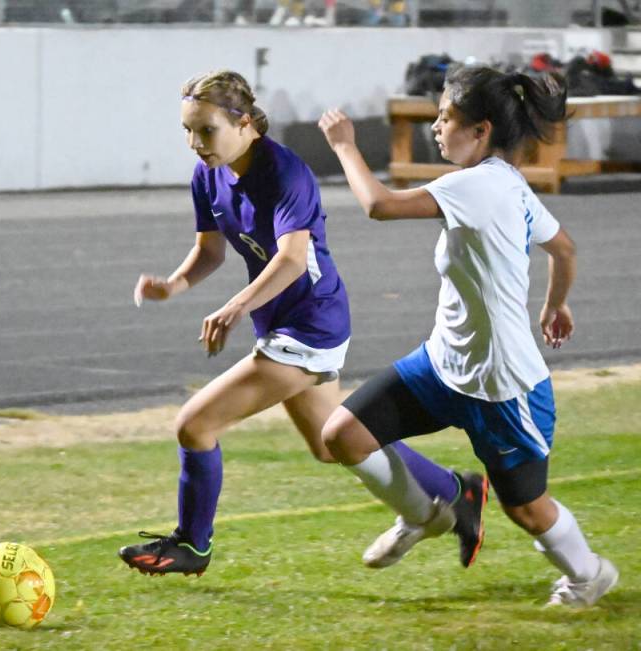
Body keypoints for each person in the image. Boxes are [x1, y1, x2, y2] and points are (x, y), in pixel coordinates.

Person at [117, 69, 486, 577]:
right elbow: (210, 249)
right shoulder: (208, 173)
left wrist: (236, 306)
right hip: (280, 324)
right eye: (188, 130)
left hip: (312, 323)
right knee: (333, 443)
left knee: (195, 425)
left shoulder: (285, 172)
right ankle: (456, 491)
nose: (195, 143)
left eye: (206, 130)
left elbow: (292, 259)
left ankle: (192, 545)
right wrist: (174, 284)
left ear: (245, 123)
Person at [318, 65, 618, 607]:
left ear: (480, 130)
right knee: (344, 435)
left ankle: (588, 573)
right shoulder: (506, 180)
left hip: (502, 386)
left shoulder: (477, 184)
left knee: (527, 509)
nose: (436, 127)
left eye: (446, 117)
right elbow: (564, 248)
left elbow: (379, 205)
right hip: (442, 365)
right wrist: (554, 304)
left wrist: (343, 146)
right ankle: (429, 513)